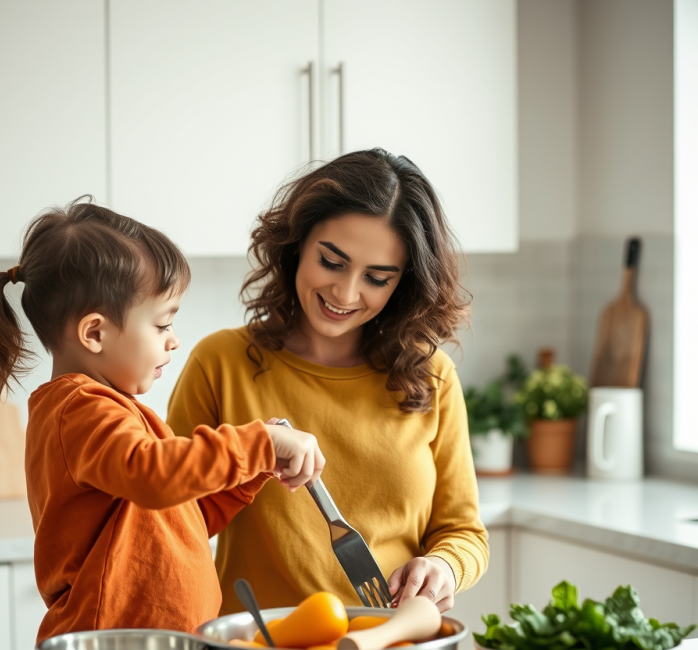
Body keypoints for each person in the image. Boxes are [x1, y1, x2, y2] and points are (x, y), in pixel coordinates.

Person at [0, 198, 325, 650]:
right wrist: (258, 443)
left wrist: (249, 475)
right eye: (161, 325)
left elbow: (181, 518)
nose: (174, 340)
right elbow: (154, 475)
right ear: (95, 333)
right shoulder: (81, 411)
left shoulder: (113, 412)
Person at [167, 149, 489, 615]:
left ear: (403, 284)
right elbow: (168, 516)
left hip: (386, 645)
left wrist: (444, 566)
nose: (346, 293)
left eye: (377, 278)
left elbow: (464, 532)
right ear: (297, 243)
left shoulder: (431, 376)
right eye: (333, 262)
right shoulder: (222, 363)